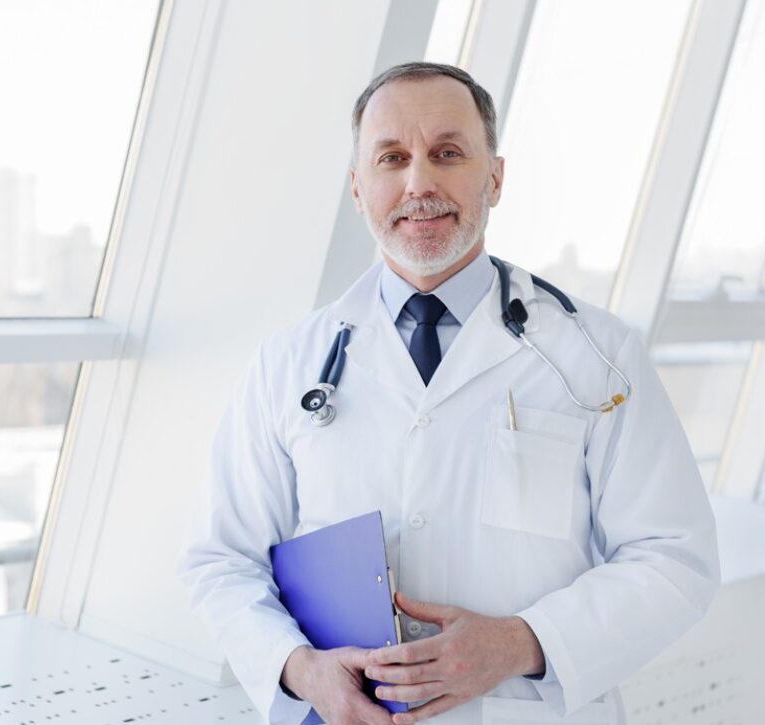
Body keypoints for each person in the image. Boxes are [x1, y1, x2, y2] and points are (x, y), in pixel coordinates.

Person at [178, 62, 719, 725]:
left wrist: (521, 642)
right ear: (357, 186)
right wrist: (298, 666)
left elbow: (674, 557)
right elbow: (222, 558)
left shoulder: (596, 356)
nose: (419, 182)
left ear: (494, 176)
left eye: (447, 153)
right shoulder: (286, 364)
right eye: (392, 158)